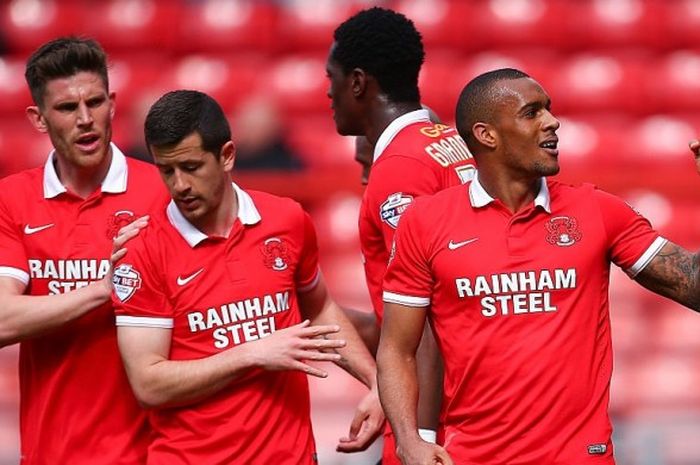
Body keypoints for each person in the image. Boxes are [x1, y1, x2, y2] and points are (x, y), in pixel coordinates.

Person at [376, 67, 700, 465]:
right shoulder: (425, 221)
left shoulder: (596, 210)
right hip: (472, 457)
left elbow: (695, 287)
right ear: (486, 134)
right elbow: (396, 349)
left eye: (548, 109)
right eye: (532, 113)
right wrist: (410, 440)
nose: (553, 122)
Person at [111, 89, 384, 465]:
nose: (179, 186)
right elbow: (148, 384)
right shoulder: (142, 251)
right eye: (166, 170)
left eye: (190, 167)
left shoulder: (286, 220)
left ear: (226, 156)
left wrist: (377, 384)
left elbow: (319, 310)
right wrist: (251, 354)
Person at [0, 37, 165, 464]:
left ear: (112, 102)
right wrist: (105, 288)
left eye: (95, 102)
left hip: (152, 454)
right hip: (49, 453)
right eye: (67, 108)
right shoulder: (13, 199)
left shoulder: (162, 193)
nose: (86, 120)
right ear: (38, 118)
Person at [326, 7, 476, 461]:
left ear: (357, 82)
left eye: (330, 77)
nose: (327, 93)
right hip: (472, 404)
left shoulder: (399, 171)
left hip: (436, 416)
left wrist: (419, 439)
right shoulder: (448, 142)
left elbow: (424, 316)